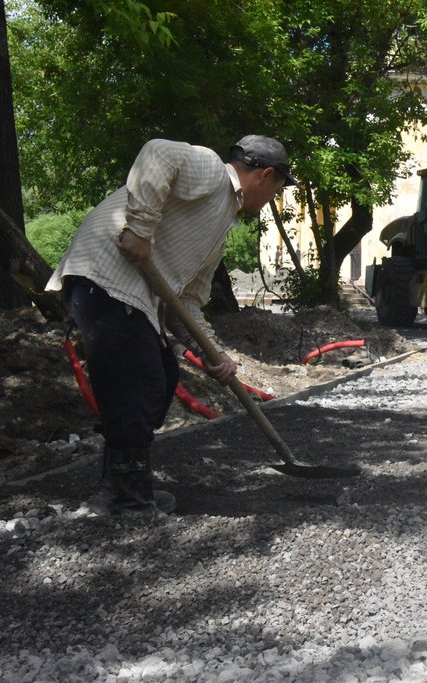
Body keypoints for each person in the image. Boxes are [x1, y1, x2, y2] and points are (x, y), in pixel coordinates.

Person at [46, 135, 296, 516]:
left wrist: (217, 354)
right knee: (139, 385)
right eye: (278, 186)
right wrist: (141, 229)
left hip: (128, 297)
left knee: (159, 376)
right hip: (105, 280)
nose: (273, 196)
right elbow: (157, 153)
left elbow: (188, 302)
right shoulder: (213, 172)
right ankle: (126, 500)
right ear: (265, 175)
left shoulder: (219, 224)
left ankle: (119, 489)